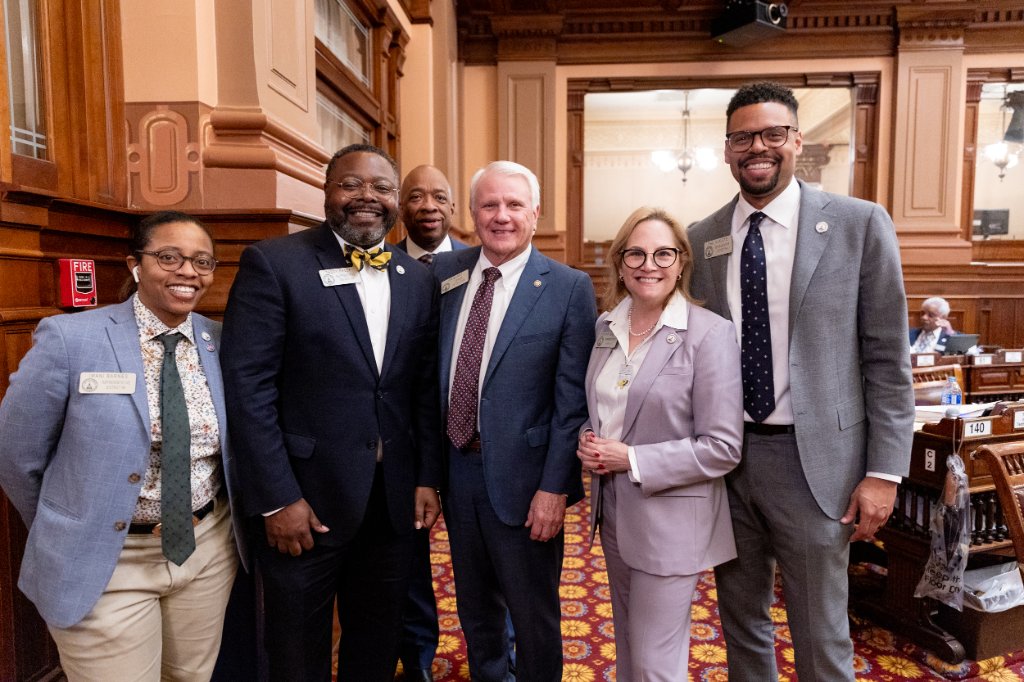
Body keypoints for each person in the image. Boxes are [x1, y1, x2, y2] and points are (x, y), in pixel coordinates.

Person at [687, 82, 914, 681]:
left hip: (817, 465)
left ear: (797, 141)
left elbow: (888, 359)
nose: (756, 147)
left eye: (771, 134)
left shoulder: (858, 224)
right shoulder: (703, 237)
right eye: (742, 137)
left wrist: (884, 472)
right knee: (740, 622)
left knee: (820, 632)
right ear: (727, 149)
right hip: (727, 459)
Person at [220, 143, 442, 681]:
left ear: (397, 203)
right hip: (304, 503)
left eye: (382, 188)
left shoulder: (418, 279)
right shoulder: (274, 263)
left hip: (391, 506)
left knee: (375, 642)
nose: (368, 198)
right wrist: (276, 499)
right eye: (351, 185)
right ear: (327, 192)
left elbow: (420, 391)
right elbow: (248, 390)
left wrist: (427, 478)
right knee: (297, 652)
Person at [0, 210, 245, 681]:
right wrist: (71, 523)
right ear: (135, 264)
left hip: (205, 550)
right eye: (169, 257)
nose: (187, 272)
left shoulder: (220, 342)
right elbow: (16, 452)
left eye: (202, 261)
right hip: (106, 561)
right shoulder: (72, 339)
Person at [434, 160, 596, 681]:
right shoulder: (444, 275)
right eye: (489, 205)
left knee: (534, 617)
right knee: (475, 609)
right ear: (473, 214)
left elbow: (572, 403)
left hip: (529, 484)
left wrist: (555, 488)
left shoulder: (569, 287)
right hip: (458, 472)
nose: (501, 216)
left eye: (513, 205)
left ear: (535, 213)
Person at [577, 207, 742, 680]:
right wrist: (587, 440)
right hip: (614, 515)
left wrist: (630, 458)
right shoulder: (606, 327)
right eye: (637, 253)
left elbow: (723, 447)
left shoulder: (709, 334)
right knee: (629, 649)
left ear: (681, 262)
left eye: (663, 253)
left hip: (671, 524)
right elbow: (605, 409)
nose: (649, 264)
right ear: (620, 262)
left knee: (655, 664)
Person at [395, 164, 517, 680]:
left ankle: (499, 661)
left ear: (453, 210)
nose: (426, 205)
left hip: (487, 456)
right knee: (411, 566)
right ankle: (417, 658)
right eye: (414, 195)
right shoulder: (393, 270)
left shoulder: (472, 267)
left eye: (438, 196)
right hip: (412, 445)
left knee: (493, 575)